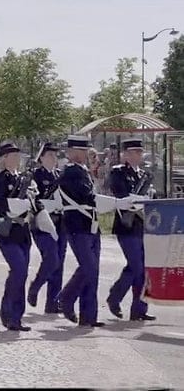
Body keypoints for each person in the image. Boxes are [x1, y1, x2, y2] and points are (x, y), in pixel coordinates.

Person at [57, 135, 134, 327]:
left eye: (85, 151)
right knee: (88, 268)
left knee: (93, 271)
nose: (83, 154)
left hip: (90, 224)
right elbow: (87, 197)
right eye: (80, 151)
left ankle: (88, 316)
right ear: (70, 152)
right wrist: (117, 202)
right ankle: (66, 298)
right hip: (77, 225)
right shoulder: (71, 172)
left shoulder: (82, 171)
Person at [106, 138, 156, 322]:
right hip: (126, 226)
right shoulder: (118, 172)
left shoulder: (144, 174)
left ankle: (139, 309)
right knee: (137, 267)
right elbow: (120, 194)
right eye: (132, 152)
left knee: (140, 268)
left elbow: (151, 198)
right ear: (124, 154)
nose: (136, 156)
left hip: (142, 225)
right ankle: (116, 297)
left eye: (139, 152)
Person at [0, 142, 33, 331]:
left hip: (23, 231)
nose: (16, 160)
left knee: (20, 274)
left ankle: (13, 315)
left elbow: (33, 203)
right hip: (6, 231)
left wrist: (31, 199)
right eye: (12, 156)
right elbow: (1, 203)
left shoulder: (23, 179)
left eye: (18, 157)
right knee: (19, 270)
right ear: (3, 158)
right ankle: (11, 314)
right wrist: (21, 204)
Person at [27, 142, 68, 314]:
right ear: (41, 157)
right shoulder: (35, 176)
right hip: (42, 223)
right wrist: (52, 204)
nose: (53, 158)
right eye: (50, 155)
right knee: (52, 259)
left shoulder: (59, 175)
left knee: (59, 263)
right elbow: (34, 200)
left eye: (55, 155)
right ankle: (35, 287)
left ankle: (53, 302)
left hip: (60, 222)